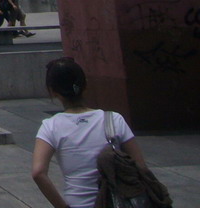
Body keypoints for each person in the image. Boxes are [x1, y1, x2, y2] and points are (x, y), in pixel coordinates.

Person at [32, 57, 152, 208]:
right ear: (85, 84)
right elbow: (141, 167)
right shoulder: (114, 119)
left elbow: (38, 173)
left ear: (53, 91)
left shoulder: (51, 126)